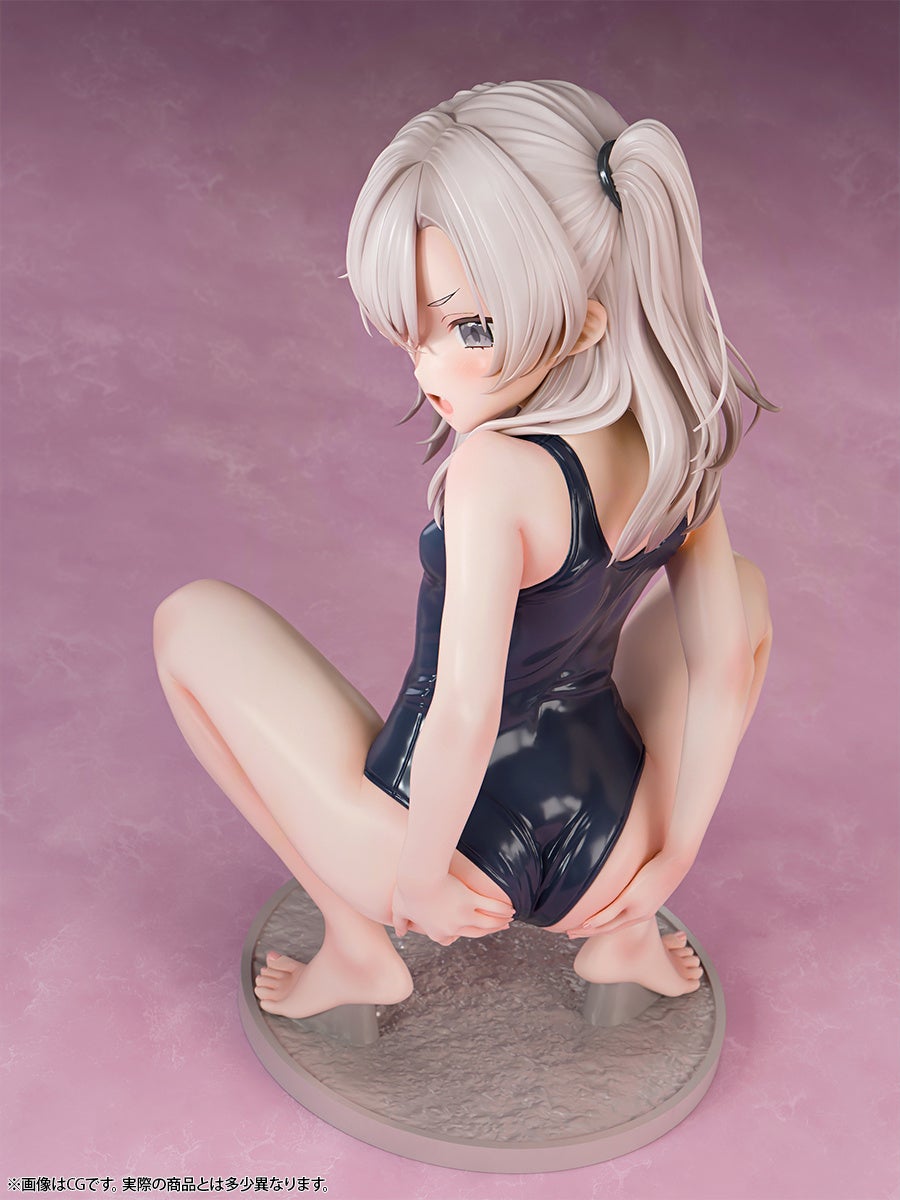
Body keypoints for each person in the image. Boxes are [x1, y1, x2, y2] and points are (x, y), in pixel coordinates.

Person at [153, 80, 774, 1021]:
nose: (427, 362)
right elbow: (726, 662)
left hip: (455, 857)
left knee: (187, 623)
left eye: (470, 328)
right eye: (416, 326)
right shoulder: (677, 431)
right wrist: (672, 854)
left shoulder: (496, 471)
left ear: (585, 320)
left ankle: (358, 948)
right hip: (615, 842)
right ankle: (626, 936)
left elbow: (465, 714)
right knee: (744, 590)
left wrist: (421, 880)